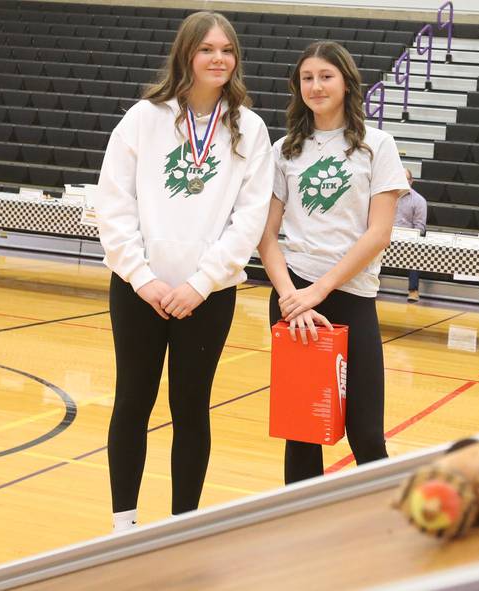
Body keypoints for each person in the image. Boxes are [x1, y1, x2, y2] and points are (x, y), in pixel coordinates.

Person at [94, 11, 273, 531]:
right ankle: (122, 526)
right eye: (207, 49)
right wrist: (142, 277)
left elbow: (250, 219)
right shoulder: (144, 118)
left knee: (191, 408)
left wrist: (200, 284)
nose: (219, 58)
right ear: (186, 54)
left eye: (227, 50)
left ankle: (182, 528)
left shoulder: (250, 129)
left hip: (208, 295)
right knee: (132, 402)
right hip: (138, 290)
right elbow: (114, 204)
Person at [258, 41, 410, 485]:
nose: (316, 85)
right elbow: (266, 235)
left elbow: (378, 234)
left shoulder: (377, 146)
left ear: (346, 82)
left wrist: (317, 293)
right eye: (307, 77)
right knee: (301, 434)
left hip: (349, 296)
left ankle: (383, 523)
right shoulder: (283, 149)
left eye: (326, 76)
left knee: (365, 434)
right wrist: (291, 297)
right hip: (294, 296)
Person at [394, 168, 427, 302]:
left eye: (405, 179)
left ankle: (413, 290)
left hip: (408, 241)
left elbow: (420, 228)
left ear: (411, 181)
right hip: (385, 237)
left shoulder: (419, 201)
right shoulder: (386, 197)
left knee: (416, 252)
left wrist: (406, 237)